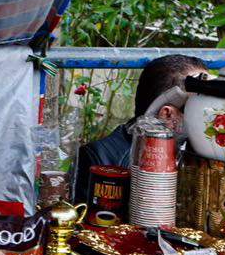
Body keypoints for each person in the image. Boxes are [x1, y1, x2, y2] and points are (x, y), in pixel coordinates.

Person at [73, 54, 208, 201]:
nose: (210, 117)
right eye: (201, 109)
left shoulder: (201, 153)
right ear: (168, 115)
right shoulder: (100, 159)